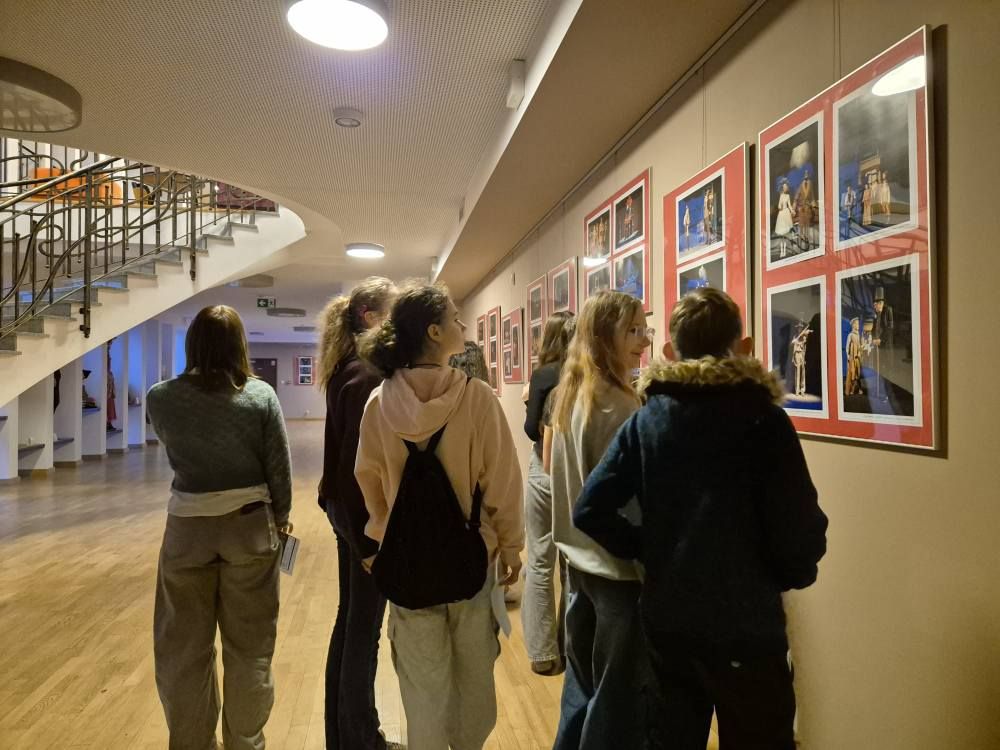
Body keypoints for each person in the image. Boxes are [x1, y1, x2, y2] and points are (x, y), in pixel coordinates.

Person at [573, 287, 828, 750]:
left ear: (671, 351)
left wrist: (647, 548)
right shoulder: (765, 421)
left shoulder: (646, 421)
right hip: (748, 625)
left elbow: (590, 509)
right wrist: (793, 571)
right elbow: (799, 524)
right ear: (743, 347)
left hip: (670, 623)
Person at [354, 282, 524, 750]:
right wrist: (511, 547)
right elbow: (503, 483)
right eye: (453, 316)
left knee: (421, 686)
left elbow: (369, 483)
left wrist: (382, 536)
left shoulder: (379, 404)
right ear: (433, 332)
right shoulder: (477, 398)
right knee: (473, 678)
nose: (462, 323)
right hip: (470, 559)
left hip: (407, 564)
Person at [147, 305, 293, 750]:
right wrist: (281, 518)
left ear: (193, 343)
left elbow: (174, 446)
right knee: (250, 650)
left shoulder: (160, 397)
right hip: (249, 528)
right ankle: (246, 743)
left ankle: (191, 742)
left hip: (187, 527)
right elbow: (278, 467)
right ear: (239, 345)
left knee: (182, 651)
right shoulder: (260, 396)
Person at [546, 291, 652, 750]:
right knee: (615, 700)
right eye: (633, 330)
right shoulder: (619, 405)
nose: (644, 341)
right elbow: (627, 502)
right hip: (616, 572)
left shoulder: (571, 393)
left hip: (578, 564)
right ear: (606, 336)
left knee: (581, 687)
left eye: (644, 329)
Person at [316, 277, 399, 750]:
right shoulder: (366, 375)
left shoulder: (351, 369)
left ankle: (347, 735)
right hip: (359, 520)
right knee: (362, 632)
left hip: (346, 514)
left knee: (351, 624)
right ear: (371, 318)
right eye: (393, 311)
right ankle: (361, 738)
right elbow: (355, 470)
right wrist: (368, 543)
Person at [520, 311, 575, 675]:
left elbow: (530, 429)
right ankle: (570, 648)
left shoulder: (544, 374)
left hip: (543, 466)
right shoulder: (587, 373)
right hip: (575, 472)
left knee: (540, 561)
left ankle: (542, 655)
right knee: (572, 565)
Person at [774, 181, 794, 259]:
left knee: (785, 235)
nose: (785, 188)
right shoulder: (781, 195)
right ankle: (781, 251)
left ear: (787, 188)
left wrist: (792, 210)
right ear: (783, 188)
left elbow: (789, 205)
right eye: (784, 187)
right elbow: (779, 205)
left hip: (786, 213)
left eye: (786, 187)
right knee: (781, 235)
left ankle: (784, 251)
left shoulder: (788, 196)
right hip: (782, 214)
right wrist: (780, 206)